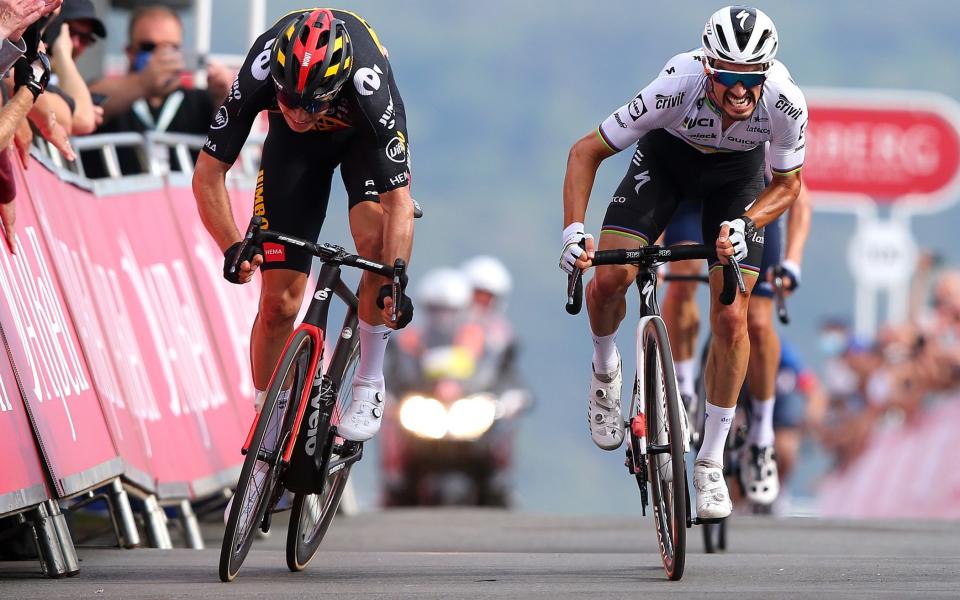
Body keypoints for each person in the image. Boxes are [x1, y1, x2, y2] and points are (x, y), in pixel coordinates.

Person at [560, 6, 806, 519]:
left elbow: (788, 186)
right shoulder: (677, 84)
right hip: (667, 163)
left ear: (766, 74)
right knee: (610, 278)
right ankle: (606, 368)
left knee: (734, 316)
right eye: (727, 78)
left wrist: (748, 223)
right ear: (708, 68)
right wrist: (574, 231)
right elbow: (585, 151)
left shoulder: (786, 102)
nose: (740, 91)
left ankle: (711, 462)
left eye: (751, 80)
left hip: (737, 180)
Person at [193, 8, 415, 444]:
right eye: (288, 99)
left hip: (360, 142)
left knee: (374, 243)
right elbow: (207, 174)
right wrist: (232, 245)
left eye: (312, 103)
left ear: (335, 88)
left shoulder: (368, 85)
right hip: (295, 152)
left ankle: (368, 380)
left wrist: (395, 279)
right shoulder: (261, 68)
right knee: (279, 304)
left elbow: (398, 204)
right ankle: (267, 425)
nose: (298, 111)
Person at [662, 177, 811, 507]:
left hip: (749, 206)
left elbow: (798, 196)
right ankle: (684, 394)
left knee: (757, 320)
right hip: (693, 196)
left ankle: (761, 436)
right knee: (681, 277)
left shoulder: (766, 127)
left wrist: (792, 262)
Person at [84, 4, 230, 175]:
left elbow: (228, 136)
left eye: (170, 48)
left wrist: (226, 96)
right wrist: (143, 83)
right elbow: (85, 102)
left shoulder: (202, 101)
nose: (161, 56)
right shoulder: (115, 94)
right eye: (149, 47)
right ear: (130, 52)